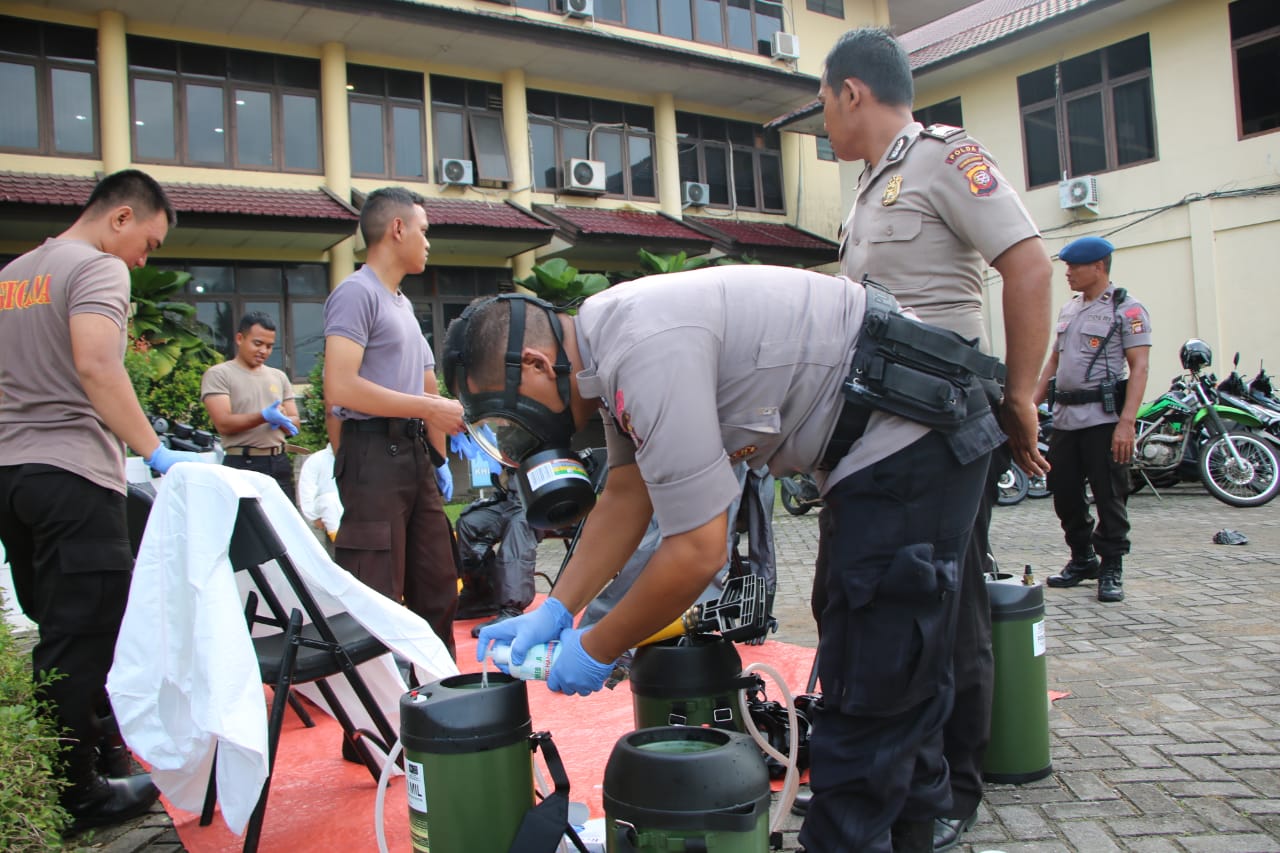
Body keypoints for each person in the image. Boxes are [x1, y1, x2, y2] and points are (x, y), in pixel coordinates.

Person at [446, 264, 1007, 853]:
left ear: (537, 363)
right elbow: (626, 492)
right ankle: (906, 829)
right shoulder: (606, 342)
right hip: (875, 441)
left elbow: (696, 550)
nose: (523, 438)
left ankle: (854, 835)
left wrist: (598, 646)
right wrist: (557, 610)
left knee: (876, 665)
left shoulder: (641, 349)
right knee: (877, 654)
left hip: (912, 427)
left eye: (511, 418)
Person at [817, 28, 1054, 851]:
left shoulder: (945, 157)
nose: (822, 116)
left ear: (853, 91)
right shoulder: (864, 192)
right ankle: (914, 774)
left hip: (945, 419)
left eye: (823, 99)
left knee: (943, 604)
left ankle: (953, 782)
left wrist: (1019, 393)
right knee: (913, 601)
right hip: (880, 430)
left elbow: (1027, 263)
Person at [0, 169, 206, 832]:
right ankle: (78, 793)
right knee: (85, 636)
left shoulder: (12, 275)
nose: (145, 260)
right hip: (72, 475)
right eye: (147, 242)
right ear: (121, 217)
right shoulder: (95, 269)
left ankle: (83, 764)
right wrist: (153, 448)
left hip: (11, 475)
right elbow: (97, 363)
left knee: (54, 627)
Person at [323, 186, 465, 658]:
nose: (428, 242)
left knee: (438, 581)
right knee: (377, 589)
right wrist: (428, 409)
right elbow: (339, 388)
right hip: (372, 456)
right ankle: (380, 713)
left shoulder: (402, 305)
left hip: (414, 454)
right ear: (397, 228)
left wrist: (440, 449)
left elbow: (427, 388)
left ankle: (440, 692)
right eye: (423, 231)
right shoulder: (355, 294)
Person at [1036, 236, 1151, 603]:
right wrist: (1028, 403)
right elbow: (1053, 362)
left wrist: (1127, 422)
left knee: (1109, 494)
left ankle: (1112, 565)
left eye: (1074, 267)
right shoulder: (1069, 310)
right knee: (1064, 491)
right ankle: (1083, 558)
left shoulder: (1127, 310)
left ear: (1099, 267)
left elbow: (1139, 367)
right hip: (1066, 418)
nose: (1067, 273)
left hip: (1103, 419)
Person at [201, 312, 300, 496]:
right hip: (243, 462)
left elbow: (295, 423)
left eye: (269, 346)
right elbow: (223, 423)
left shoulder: (278, 376)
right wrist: (263, 416)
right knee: (248, 524)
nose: (264, 351)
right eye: (258, 343)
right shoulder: (219, 374)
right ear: (240, 338)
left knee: (283, 524)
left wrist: (284, 419)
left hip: (278, 462)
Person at [296, 442, 342, 542]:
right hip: (325, 514)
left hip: (356, 514)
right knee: (329, 500)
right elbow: (306, 492)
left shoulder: (360, 459)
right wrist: (314, 518)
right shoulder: (317, 459)